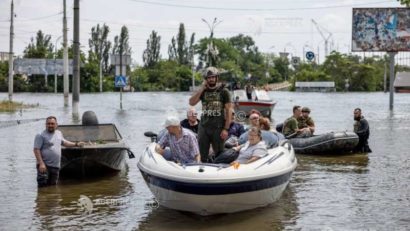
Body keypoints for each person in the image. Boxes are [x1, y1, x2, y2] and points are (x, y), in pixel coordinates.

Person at [189, 66, 232, 162]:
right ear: (206, 79)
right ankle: (202, 170)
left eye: (213, 77)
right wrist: (201, 89)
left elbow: (229, 110)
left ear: (217, 78)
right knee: (202, 152)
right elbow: (191, 102)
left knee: (219, 153)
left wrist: (226, 128)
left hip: (218, 127)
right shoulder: (203, 91)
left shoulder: (224, 91)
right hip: (204, 126)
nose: (211, 79)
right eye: (209, 77)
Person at [33, 116, 84, 187]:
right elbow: (36, 149)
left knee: (52, 187)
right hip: (44, 166)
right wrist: (41, 164)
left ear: (56, 124)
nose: (50, 125)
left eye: (52, 124)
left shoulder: (59, 133)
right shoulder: (40, 135)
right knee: (43, 188)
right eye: (48, 124)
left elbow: (64, 142)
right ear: (45, 124)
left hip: (55, 166)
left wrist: (76, 144)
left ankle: (52, 198)